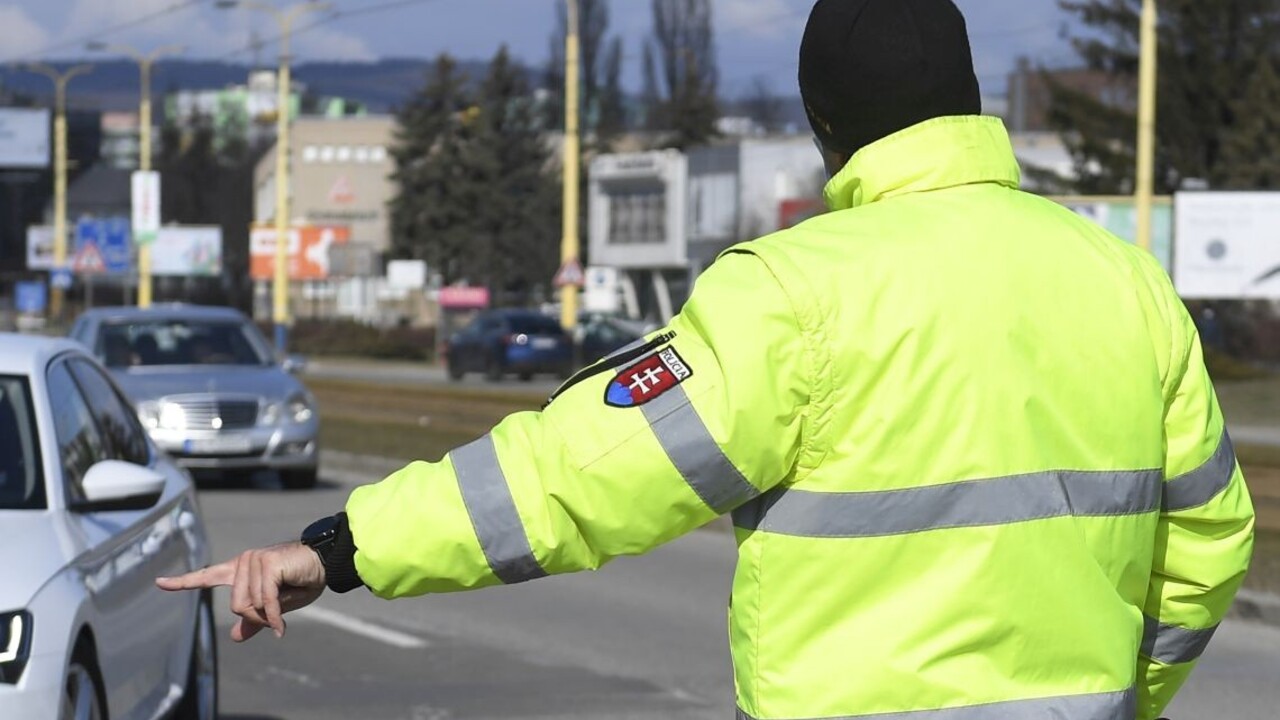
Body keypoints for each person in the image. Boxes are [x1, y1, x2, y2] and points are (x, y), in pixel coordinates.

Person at [158, 1, 1255, 719]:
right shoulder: (1124, 284)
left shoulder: (793, 292)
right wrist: (1120, 697)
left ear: (826, 129)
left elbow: (577, 472)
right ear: (969, 107)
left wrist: (343, 547)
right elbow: (1206, 543)